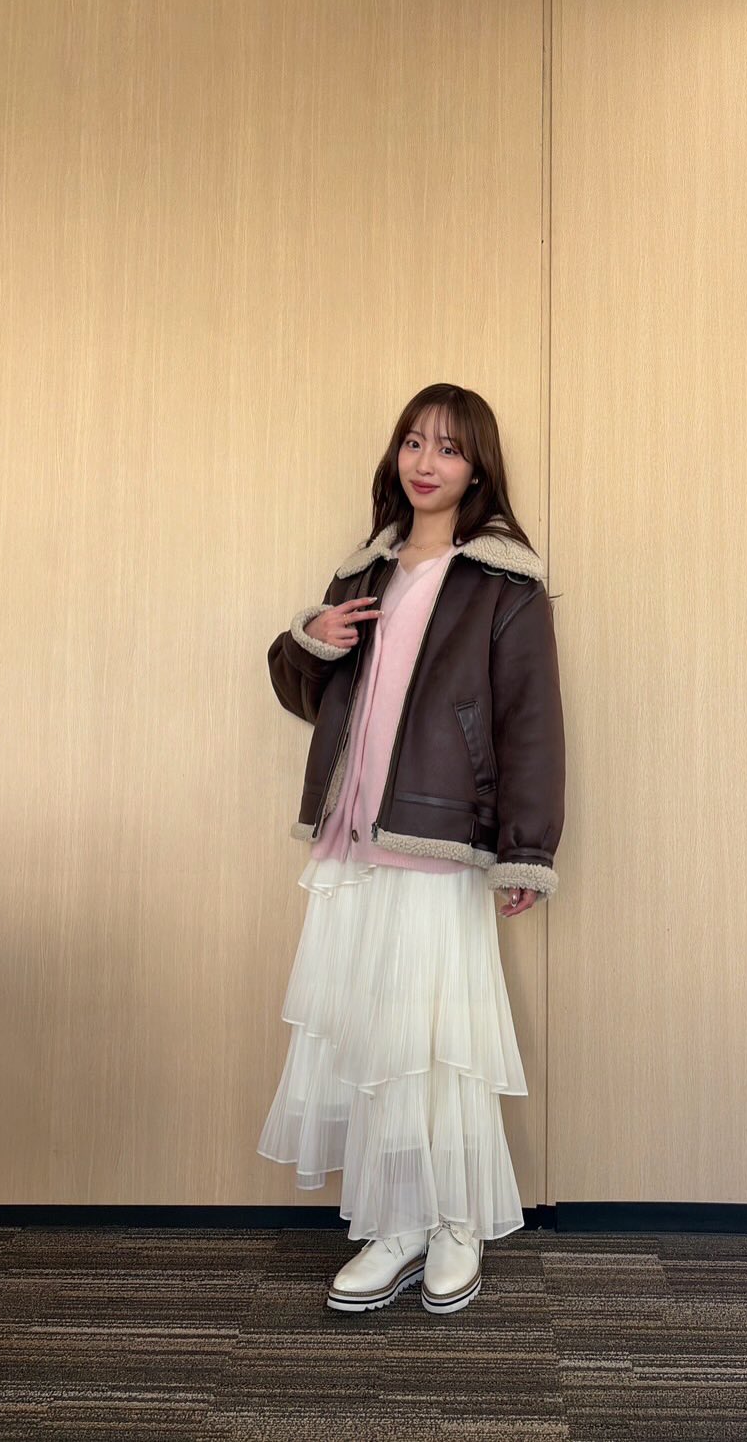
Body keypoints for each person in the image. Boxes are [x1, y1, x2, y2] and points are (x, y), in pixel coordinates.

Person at [257, 382, 566, 1316]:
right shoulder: (363, 574)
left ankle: (456, 1221)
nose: (426, 463)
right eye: (413, 443)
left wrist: (526, 850)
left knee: (437, 1042)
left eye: (449, 448)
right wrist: (309, 640)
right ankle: (396, 1221)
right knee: (374, 1040)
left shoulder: (503, 584)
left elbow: (530, 723)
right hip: (353, 838)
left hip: (438, 836)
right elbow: (308, 698)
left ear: (478, 468)